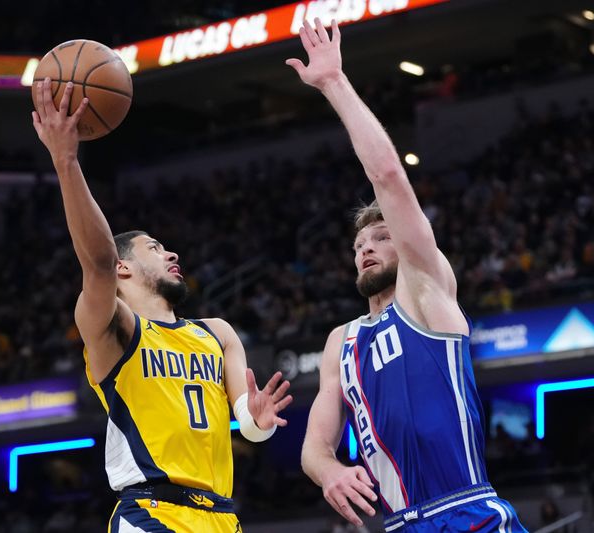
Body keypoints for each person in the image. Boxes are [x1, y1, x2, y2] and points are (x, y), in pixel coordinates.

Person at [290, 19, 527, 533]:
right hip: (398, 525)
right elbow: (314, 446)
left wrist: (334, 83)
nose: (366, 250)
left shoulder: (425, 289)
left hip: (464, 512)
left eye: (380, 239)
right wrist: (328, 470)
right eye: (358, 245)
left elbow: (389, 177)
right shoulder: (340, 341)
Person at [32, 78, 292, 533]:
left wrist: (260, 420)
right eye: (154, 248)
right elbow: (96, 264)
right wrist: (66, 160)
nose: (171, 254)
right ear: (124, 269)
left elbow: (248, 423)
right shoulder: (116, 329)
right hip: (151, 512)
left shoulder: (218, 333)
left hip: (221, 518)